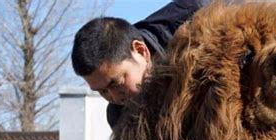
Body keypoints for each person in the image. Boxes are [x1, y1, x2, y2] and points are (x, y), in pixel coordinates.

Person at [71, 1, 205, 129]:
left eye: (117, 82)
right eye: (102, 91)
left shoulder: (197, 16)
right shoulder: (120, 117)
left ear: (141, 51)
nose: (116, 98)